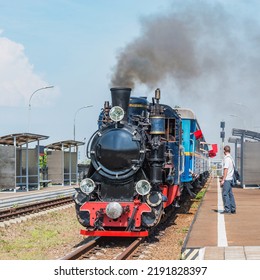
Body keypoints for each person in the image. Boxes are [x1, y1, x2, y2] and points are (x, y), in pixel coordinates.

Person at [220, 145, 236, 214]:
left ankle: (227, 209)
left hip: (227, 179)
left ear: (224, 151)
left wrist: (223, 179)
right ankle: (233, 209)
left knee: (225, 194)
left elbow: (226, 169)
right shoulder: (231, 158)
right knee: (230, 194)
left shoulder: (227, 159)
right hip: (230, 178)